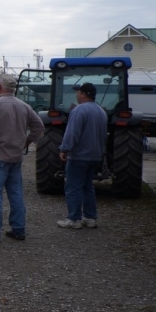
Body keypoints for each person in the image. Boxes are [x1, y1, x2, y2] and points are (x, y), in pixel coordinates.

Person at [0, 74, 45, 243]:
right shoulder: (25, 106)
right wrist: (26, 142)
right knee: (16, 194)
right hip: (16, 157)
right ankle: (18, 229)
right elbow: (39, 126)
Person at [56, 82, 107, 229]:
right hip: (95, 155)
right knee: (87, 187)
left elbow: (72, 133)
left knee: (73, 187)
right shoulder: (100, 111)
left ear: (83, 94)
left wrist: (65, 149)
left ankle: (74, 219)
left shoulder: (79, 111)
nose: (77, 95)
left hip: (79, 156)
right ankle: (90, 218)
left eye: (78, 92)